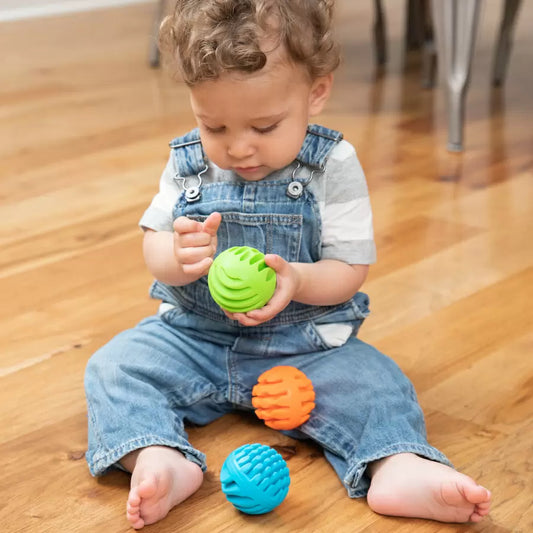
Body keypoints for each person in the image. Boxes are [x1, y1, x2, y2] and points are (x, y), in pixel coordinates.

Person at [84, 0, 492, 529]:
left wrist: (297, 278)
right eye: (214, 126)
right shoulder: (187, 163)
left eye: (264, 125)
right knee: (114, 368)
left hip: (305, 349)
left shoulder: (332, 165)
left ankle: (396, 464)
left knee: (377, 383)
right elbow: (153, 244)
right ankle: (157, 456)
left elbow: (349, 269)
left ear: (315, 92)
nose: (237, 148)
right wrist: (176, 255)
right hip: (195, 339)